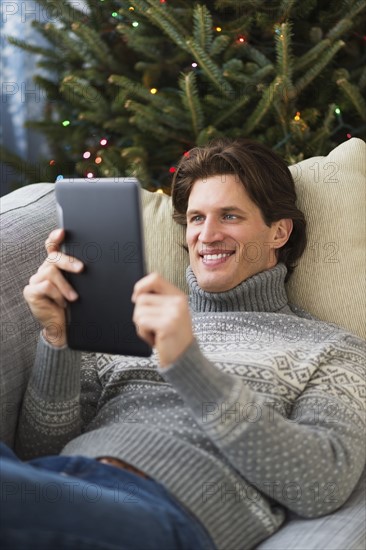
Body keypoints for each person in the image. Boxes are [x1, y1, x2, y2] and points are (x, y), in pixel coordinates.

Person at [0, 139, 365, 550]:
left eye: (229, 216)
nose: (207, 236)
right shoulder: (124, 321)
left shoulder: (333, 349)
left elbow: (321, 485)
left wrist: (188, 364)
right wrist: (59, 340)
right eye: (195, 218)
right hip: (58, 482)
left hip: (162, 516)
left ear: (279, 231)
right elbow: (38, 449)